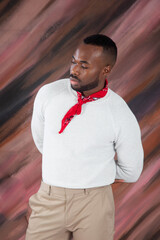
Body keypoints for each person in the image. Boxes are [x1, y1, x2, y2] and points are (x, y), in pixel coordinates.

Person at [25, 34, 144, 240]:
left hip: (94, 204)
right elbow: (42, 141)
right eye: (73, 62)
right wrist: (69, 163)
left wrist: (94, 170)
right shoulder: (48, 94)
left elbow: (131, 171)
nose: (74, 70)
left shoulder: (119, 113)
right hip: (49, 198)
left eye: (84, 65)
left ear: (106, 69)